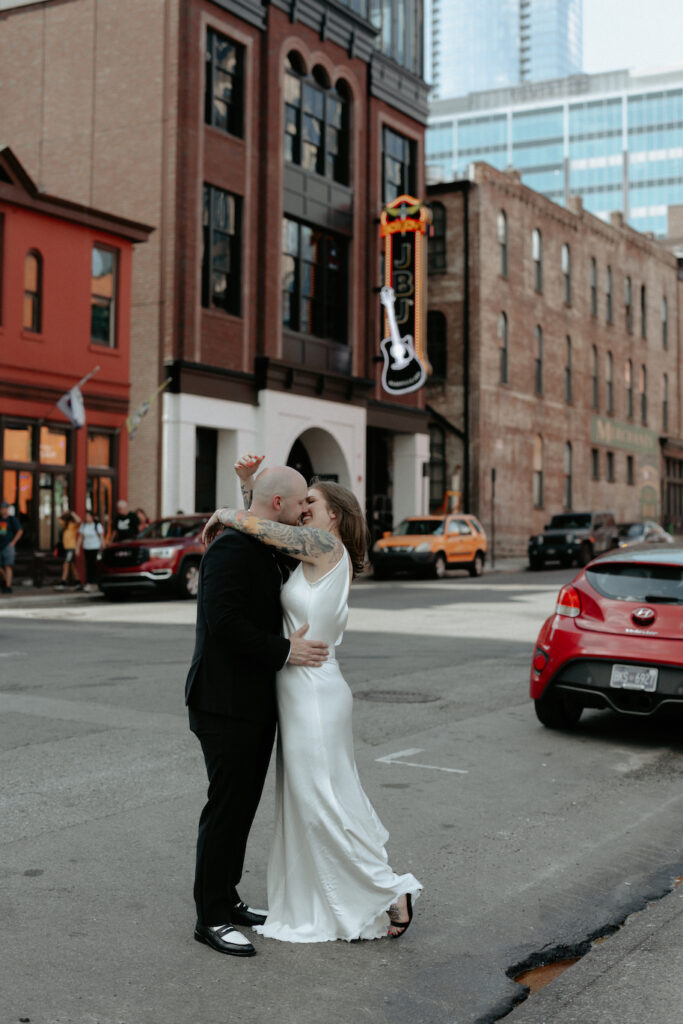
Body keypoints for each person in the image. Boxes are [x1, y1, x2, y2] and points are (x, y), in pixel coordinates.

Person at [201, 459, 422, 945]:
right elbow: (264, 522)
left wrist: (225, 509)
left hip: (314, 694)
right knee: (310, 803)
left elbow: (259, 520)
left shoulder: (326, 546)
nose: (304, 510)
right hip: (295, 691)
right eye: (301, 501)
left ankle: (391, 892)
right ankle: (322, 898)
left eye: (312, 503)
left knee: (323, 802)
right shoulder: (304, 554)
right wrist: (248, 489)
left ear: (335, 516)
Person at [185, 462, 330, 958]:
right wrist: (285, 651)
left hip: (253, 703)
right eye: (297, 504)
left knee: (242, 806)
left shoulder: (263, 545)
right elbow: (223, 623)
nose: (301, 512)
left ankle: (227, 899)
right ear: (276, 507)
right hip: (224, 704)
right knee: (226, 808)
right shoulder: (229, 548)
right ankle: (210, 919)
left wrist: (240, 498)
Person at [77, 511, 104, 591]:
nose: (87, 518)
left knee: (95, 565)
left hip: (95, 547)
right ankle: (89, 583)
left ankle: (95, 583)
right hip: (87, 548)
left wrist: (103, 547)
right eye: (86, 516)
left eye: (88, 516)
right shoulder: (84, 525)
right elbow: (80, 537)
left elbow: (101, 537)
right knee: (88, 566)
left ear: (92, 517)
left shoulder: (97, 525)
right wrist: (77, 547)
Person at [54, 511, 82, 590]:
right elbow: (58, 518)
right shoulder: (65, 525)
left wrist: (72, 513)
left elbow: (79, 520)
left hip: (71, 548)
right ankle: (78, 582)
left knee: (66, 564)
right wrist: (66, 513)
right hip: (66, 548)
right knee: (72, 566)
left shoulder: (73, 525)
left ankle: (63, 583)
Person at [0, 501, 23, 594]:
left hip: (8, 545)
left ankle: (8, 586)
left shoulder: (12, 519)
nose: (3, 510)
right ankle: (5, 580)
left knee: (8, 566)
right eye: (1, 508)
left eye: (4, 508)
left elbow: (20, 531)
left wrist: (13, 542)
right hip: (0, 545)